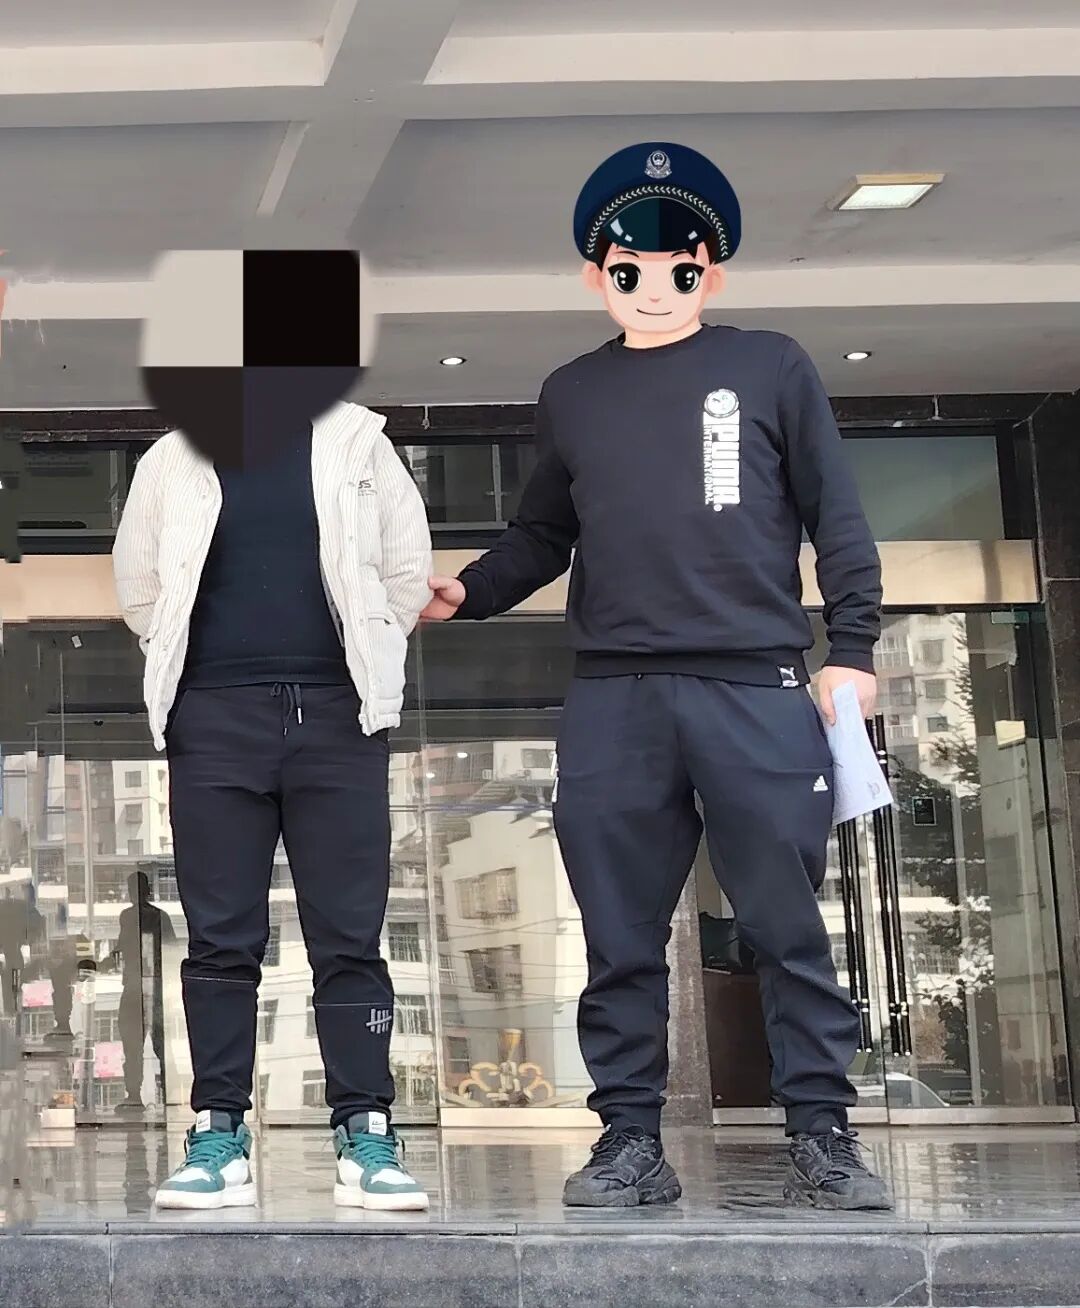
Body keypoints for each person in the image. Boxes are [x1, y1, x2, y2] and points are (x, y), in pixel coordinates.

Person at [424, 142, 891, 1211]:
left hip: (754, 685)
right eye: (627, 270)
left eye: (679, 268)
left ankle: (821, 1133)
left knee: (785, 924)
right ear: (597, 276)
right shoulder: (573, 391)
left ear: (709, 273)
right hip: (615, 696)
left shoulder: (770, 365)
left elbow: (837, 514)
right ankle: (629, 1140)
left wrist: (853, 648)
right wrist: (470, 592)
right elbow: (543, 533)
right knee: (618, 934)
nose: (653, 287)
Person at [114, 386, 432, 1211]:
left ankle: (365, 1130)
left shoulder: (362, 445)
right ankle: (218, 1133)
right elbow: (141, 590)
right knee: (220, 937)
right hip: (213, 715)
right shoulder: (172, 456)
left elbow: (405, 578)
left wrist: (364, 658)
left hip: (341, 715)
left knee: (350, 935)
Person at [107, 871, 175, 1114]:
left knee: (138, 1044)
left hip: (145, 986)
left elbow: (165, 950)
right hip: (146, 985)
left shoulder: (135, 916)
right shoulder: (151, 916)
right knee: (148, 1045)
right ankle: (159, 1095)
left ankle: (138, 1095)